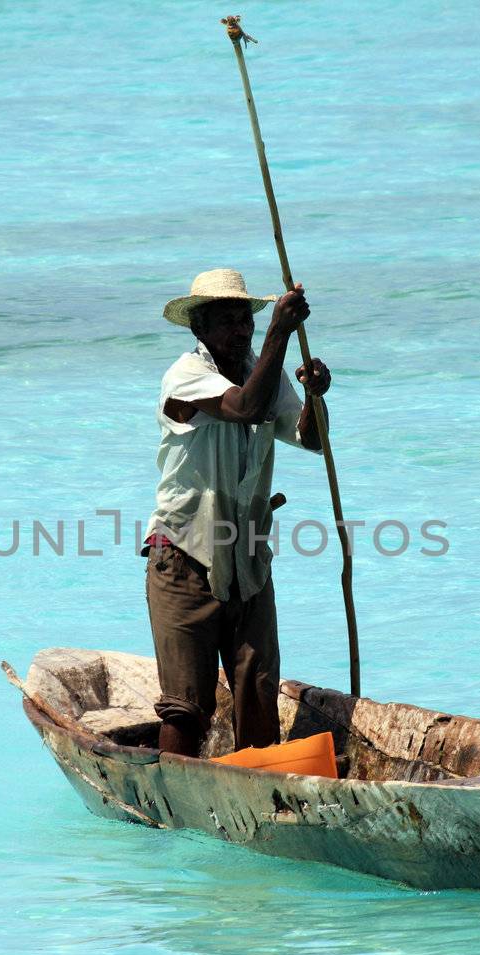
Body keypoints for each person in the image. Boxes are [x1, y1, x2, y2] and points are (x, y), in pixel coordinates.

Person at [143, 268, 331, 757]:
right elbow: (245, 408)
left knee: (258, 694)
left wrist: (314, 397)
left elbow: (310, 439)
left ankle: (259, 793)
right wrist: (280, 332)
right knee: (186, 706)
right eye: (225, 320)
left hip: (247, 555)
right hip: (183, 555)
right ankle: (170, 813)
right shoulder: (185, 376)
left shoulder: (260, 369)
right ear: (198, 328)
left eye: (245, 319)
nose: (240, 329)